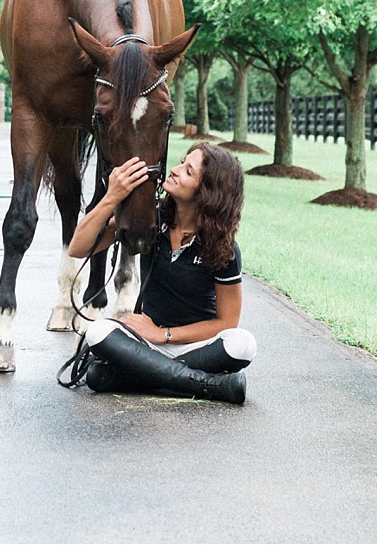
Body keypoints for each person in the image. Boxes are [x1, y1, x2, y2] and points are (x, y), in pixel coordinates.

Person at [66, 141, 255, 404]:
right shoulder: (149, 218)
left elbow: (226, 323)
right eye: (181, 163)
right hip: (145, 344)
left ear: (208, 193)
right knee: (98, 332)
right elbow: (79, 248)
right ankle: (208, 384)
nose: (176, 170)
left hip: (195, 345)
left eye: (188, 171)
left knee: (243, 343)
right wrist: (112, 197)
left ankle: (133, 375)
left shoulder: (224, 247)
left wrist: (163, 335)